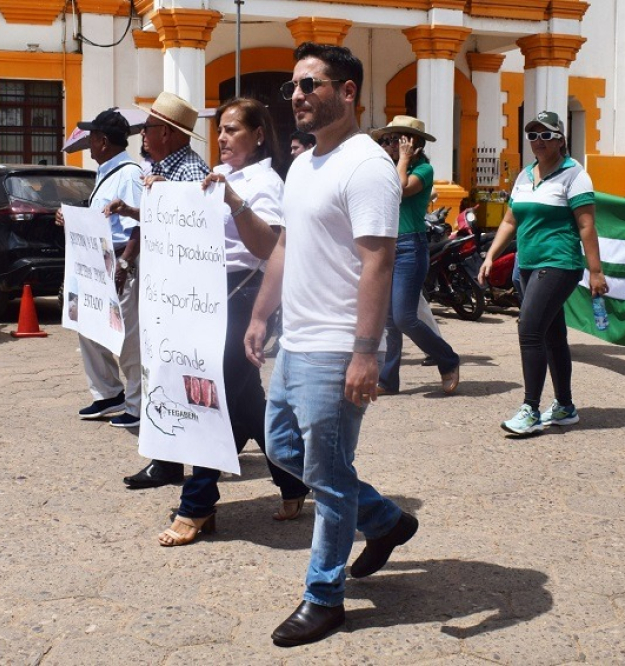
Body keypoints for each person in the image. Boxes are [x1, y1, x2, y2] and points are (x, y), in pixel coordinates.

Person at [242, 42, 417, 647]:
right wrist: (263, 316)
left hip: (337, 346)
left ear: (347, 93)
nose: (297, 95)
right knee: (287, 452)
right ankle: (386, 521)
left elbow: (378, 264)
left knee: (328, 476)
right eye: (294, 85)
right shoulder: (306, 164)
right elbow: (287, 247)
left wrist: (366, 352)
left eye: (311, 84)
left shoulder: (365, 167)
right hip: (295, 341)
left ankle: (324, 597)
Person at [148, 97, 313, 546]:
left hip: (243, 297)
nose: (222, 138)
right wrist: (165, 198)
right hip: (206, 296)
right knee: (245, 404)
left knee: (209, 398)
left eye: (234, 130)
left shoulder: (264, 182)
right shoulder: (227, 176)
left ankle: (198, 504)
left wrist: (234, 200)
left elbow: (269, 248)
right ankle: (295, 481)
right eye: (220, 129)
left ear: (259, 134)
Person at [478, 110, 607, 435]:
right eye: (533, 135)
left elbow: (586, 224)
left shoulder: (574, 174)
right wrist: (491, 254)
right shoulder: (525, 175)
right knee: (552, 334)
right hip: (529, 264)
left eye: (546, 135)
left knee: (530, 330)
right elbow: (510, 220)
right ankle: (564, 406)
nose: (538, 141)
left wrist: (595, 271)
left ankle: (530, 409)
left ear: (561, 139)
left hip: (559, 262)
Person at [109, 92, 212, 490]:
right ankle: (167, 460)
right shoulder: (163, 168)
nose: (142, 135)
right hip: (163, 290)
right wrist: (134, 210)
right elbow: (161, 222)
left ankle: (177, 462)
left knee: (176, 375)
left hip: (181, 295)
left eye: (148, 128)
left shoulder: (187, 172)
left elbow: (191, 228)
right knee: (162, 374)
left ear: (168, 133)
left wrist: (164, 193)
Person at [56, 108, 144, 428]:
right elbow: (105, 220)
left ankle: (137, 405)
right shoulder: (107, 171)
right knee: (90, 328)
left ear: (103, 141)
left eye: (91, 136)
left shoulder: (130, 174)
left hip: (120, 263)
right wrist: (72, 220)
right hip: (98, 262)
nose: (88, 142)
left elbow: (139, 224)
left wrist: (124, 264)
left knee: (127, 338)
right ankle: (109, 393)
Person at [372, 115, 460, 395]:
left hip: (410, 247)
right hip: (386, 245)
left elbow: (400, 190)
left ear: (414, 144)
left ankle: (447, 358)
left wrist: (404, 159)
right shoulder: (386, 168)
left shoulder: (422, 170)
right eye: (387, 139)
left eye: (397, 139)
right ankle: (388, 379)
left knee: (404, 317)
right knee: (387, 319)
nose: (389, 144)